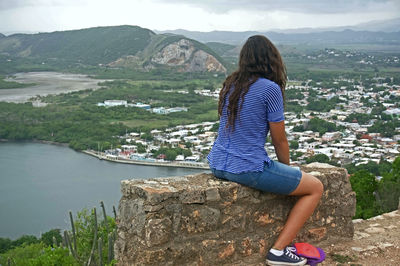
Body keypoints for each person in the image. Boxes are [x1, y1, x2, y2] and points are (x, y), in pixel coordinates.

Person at [207, 35, 323, 266]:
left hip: (218, 163)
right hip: (247, 167)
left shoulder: (232, 83)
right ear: (272, 59)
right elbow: (279, 140)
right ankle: (278, 252)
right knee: (315, 188)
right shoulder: (270, 89)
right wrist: (287, 172)